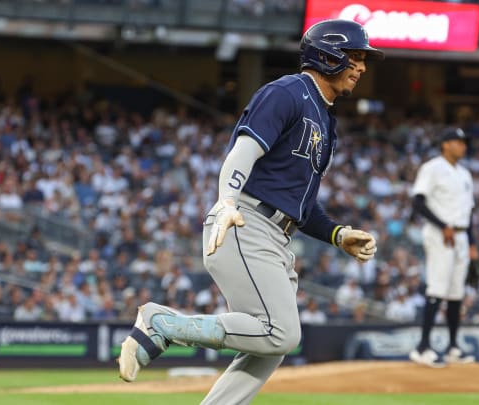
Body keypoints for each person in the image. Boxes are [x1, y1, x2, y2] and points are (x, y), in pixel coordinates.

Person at [117, 19, 382, 404]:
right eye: (354, 57)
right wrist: (226, 200)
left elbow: (301, 202)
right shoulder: (287, 92)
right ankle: (163, 324)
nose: (361, 66)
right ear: (327, 56)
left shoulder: (325, 117)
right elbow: (243, 151)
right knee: (282, 334)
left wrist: (337, 234)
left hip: (274, 233)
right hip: (245, 221)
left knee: (268, 345)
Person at [409, 127, 477, 367]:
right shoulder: (432, 168)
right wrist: (442, 225)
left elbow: (469, 212)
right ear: (445, 144)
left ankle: (452, 347)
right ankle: (423, 347)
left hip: (461, 235)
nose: (463, 146)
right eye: (458, 142)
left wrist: (473, 244)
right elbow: (418, 202)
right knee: (437, 289)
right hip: (440, 235)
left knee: (456, 293)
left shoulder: (465, 174)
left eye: (463, 142)